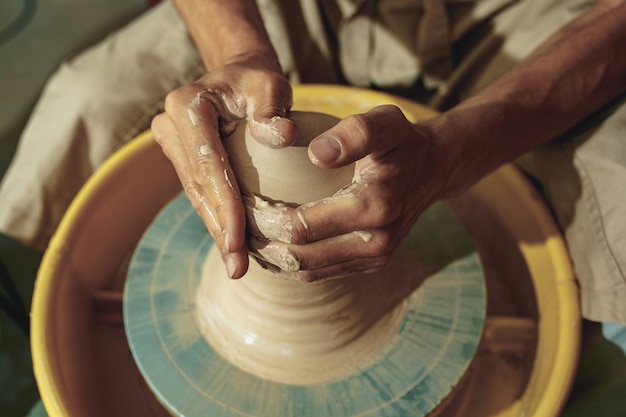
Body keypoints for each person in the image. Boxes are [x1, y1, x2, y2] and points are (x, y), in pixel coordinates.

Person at [0, 0, 625, 325]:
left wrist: (451, 153)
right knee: (89, 107)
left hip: (535, 20)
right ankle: (45, 309)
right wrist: (239, 49)